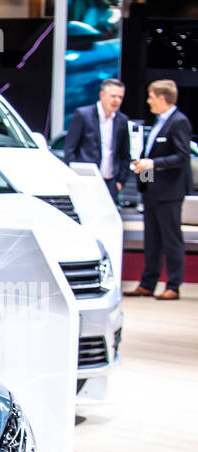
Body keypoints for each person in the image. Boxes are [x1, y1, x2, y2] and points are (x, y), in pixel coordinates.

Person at [127, 79, 193, 300]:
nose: (148, 101)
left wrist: (152, 164)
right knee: (152, 240)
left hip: (170, 193)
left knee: (171, 239)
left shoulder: (179, 122)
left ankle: (173, 286)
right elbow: (151, 156)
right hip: (152, 191)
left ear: (163, 99)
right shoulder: (158, 122)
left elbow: (182, 156)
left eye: (151, 97)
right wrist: (143, 171)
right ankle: (148, 283)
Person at [63, 78, 130, 198]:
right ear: (102, 95)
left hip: (111, 183)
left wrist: (121, 182)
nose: (117, 100)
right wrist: (76, 176)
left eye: (120, 97)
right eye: (113, 96)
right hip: (86, 180)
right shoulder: (83, 115)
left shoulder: (122, 120)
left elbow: (125, 154)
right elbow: (70, 149)